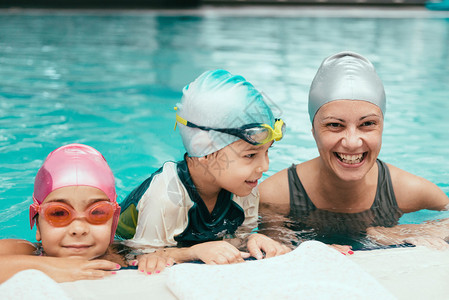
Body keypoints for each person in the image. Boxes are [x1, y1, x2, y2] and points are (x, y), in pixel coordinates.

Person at [259, 51, 449, 249]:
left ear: (382, 128)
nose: (352, 142)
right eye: (334, 125)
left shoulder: (414, 193)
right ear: (314, 132)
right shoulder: (276, 196)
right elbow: (273, 255)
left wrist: (409, 231)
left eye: (367, 124)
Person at [117, 69, 291, 270]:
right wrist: (193, 252)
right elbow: (139, 258)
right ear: (204, 150)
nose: (265, 166)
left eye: (267, 152)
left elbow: (236, 240)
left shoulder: (244, 186)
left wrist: (254, 239)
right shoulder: (166, 197)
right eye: (250, 155)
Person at [0, 143, 172, 283]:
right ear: (37, 225)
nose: (79, 229)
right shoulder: (25, 252)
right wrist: (49, 266)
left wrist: (154, 261)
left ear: (113, 223)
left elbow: (171, 255)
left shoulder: (126, 255)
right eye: (59, 213)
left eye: (97, 213)